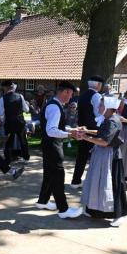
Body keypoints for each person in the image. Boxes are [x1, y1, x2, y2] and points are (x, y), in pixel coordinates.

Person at [78, 96, 127, 227]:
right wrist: (87, 131)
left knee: (113, 186)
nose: (98, 107)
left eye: (101, 105)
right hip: (104, 155)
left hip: (111, 157)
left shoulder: (112, 121)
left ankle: (119, 214)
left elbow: (105, 141)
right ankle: (95, 211)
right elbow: (102, 132)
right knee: (98, 183)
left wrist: (85, 137)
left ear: (108, 108)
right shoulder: (110, 119)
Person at [36, 81, 82, 219]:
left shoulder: (53, 104)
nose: (71, 97)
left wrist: (72, 129)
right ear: (65, 92)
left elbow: (57, 127)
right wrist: (70, 134)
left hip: (49, 145)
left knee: (50, 175)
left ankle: (42, 201)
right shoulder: (55, 107)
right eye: (71, 94)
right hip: (53, 146)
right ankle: (63, 210)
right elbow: (51, 130)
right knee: (58, 177)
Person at [71, 75, 104, 188]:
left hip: (82, 127)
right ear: (98, 85)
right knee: (95, 156)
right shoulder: (97, 96)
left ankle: (76, 181)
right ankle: (92, 182)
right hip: (92, 129)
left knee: (81, 156)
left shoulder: (83, 95)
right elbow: (99, 113)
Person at [0, 80, 30, 163]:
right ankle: (26, 158)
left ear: (5, 88)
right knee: (23, 140)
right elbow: (26, 109)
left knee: (9, 141)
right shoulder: (20, 96)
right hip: (20, 121)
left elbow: (1, 113)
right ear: (12, 87)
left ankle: (8, 159)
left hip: (9, 122)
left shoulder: (2, 99)